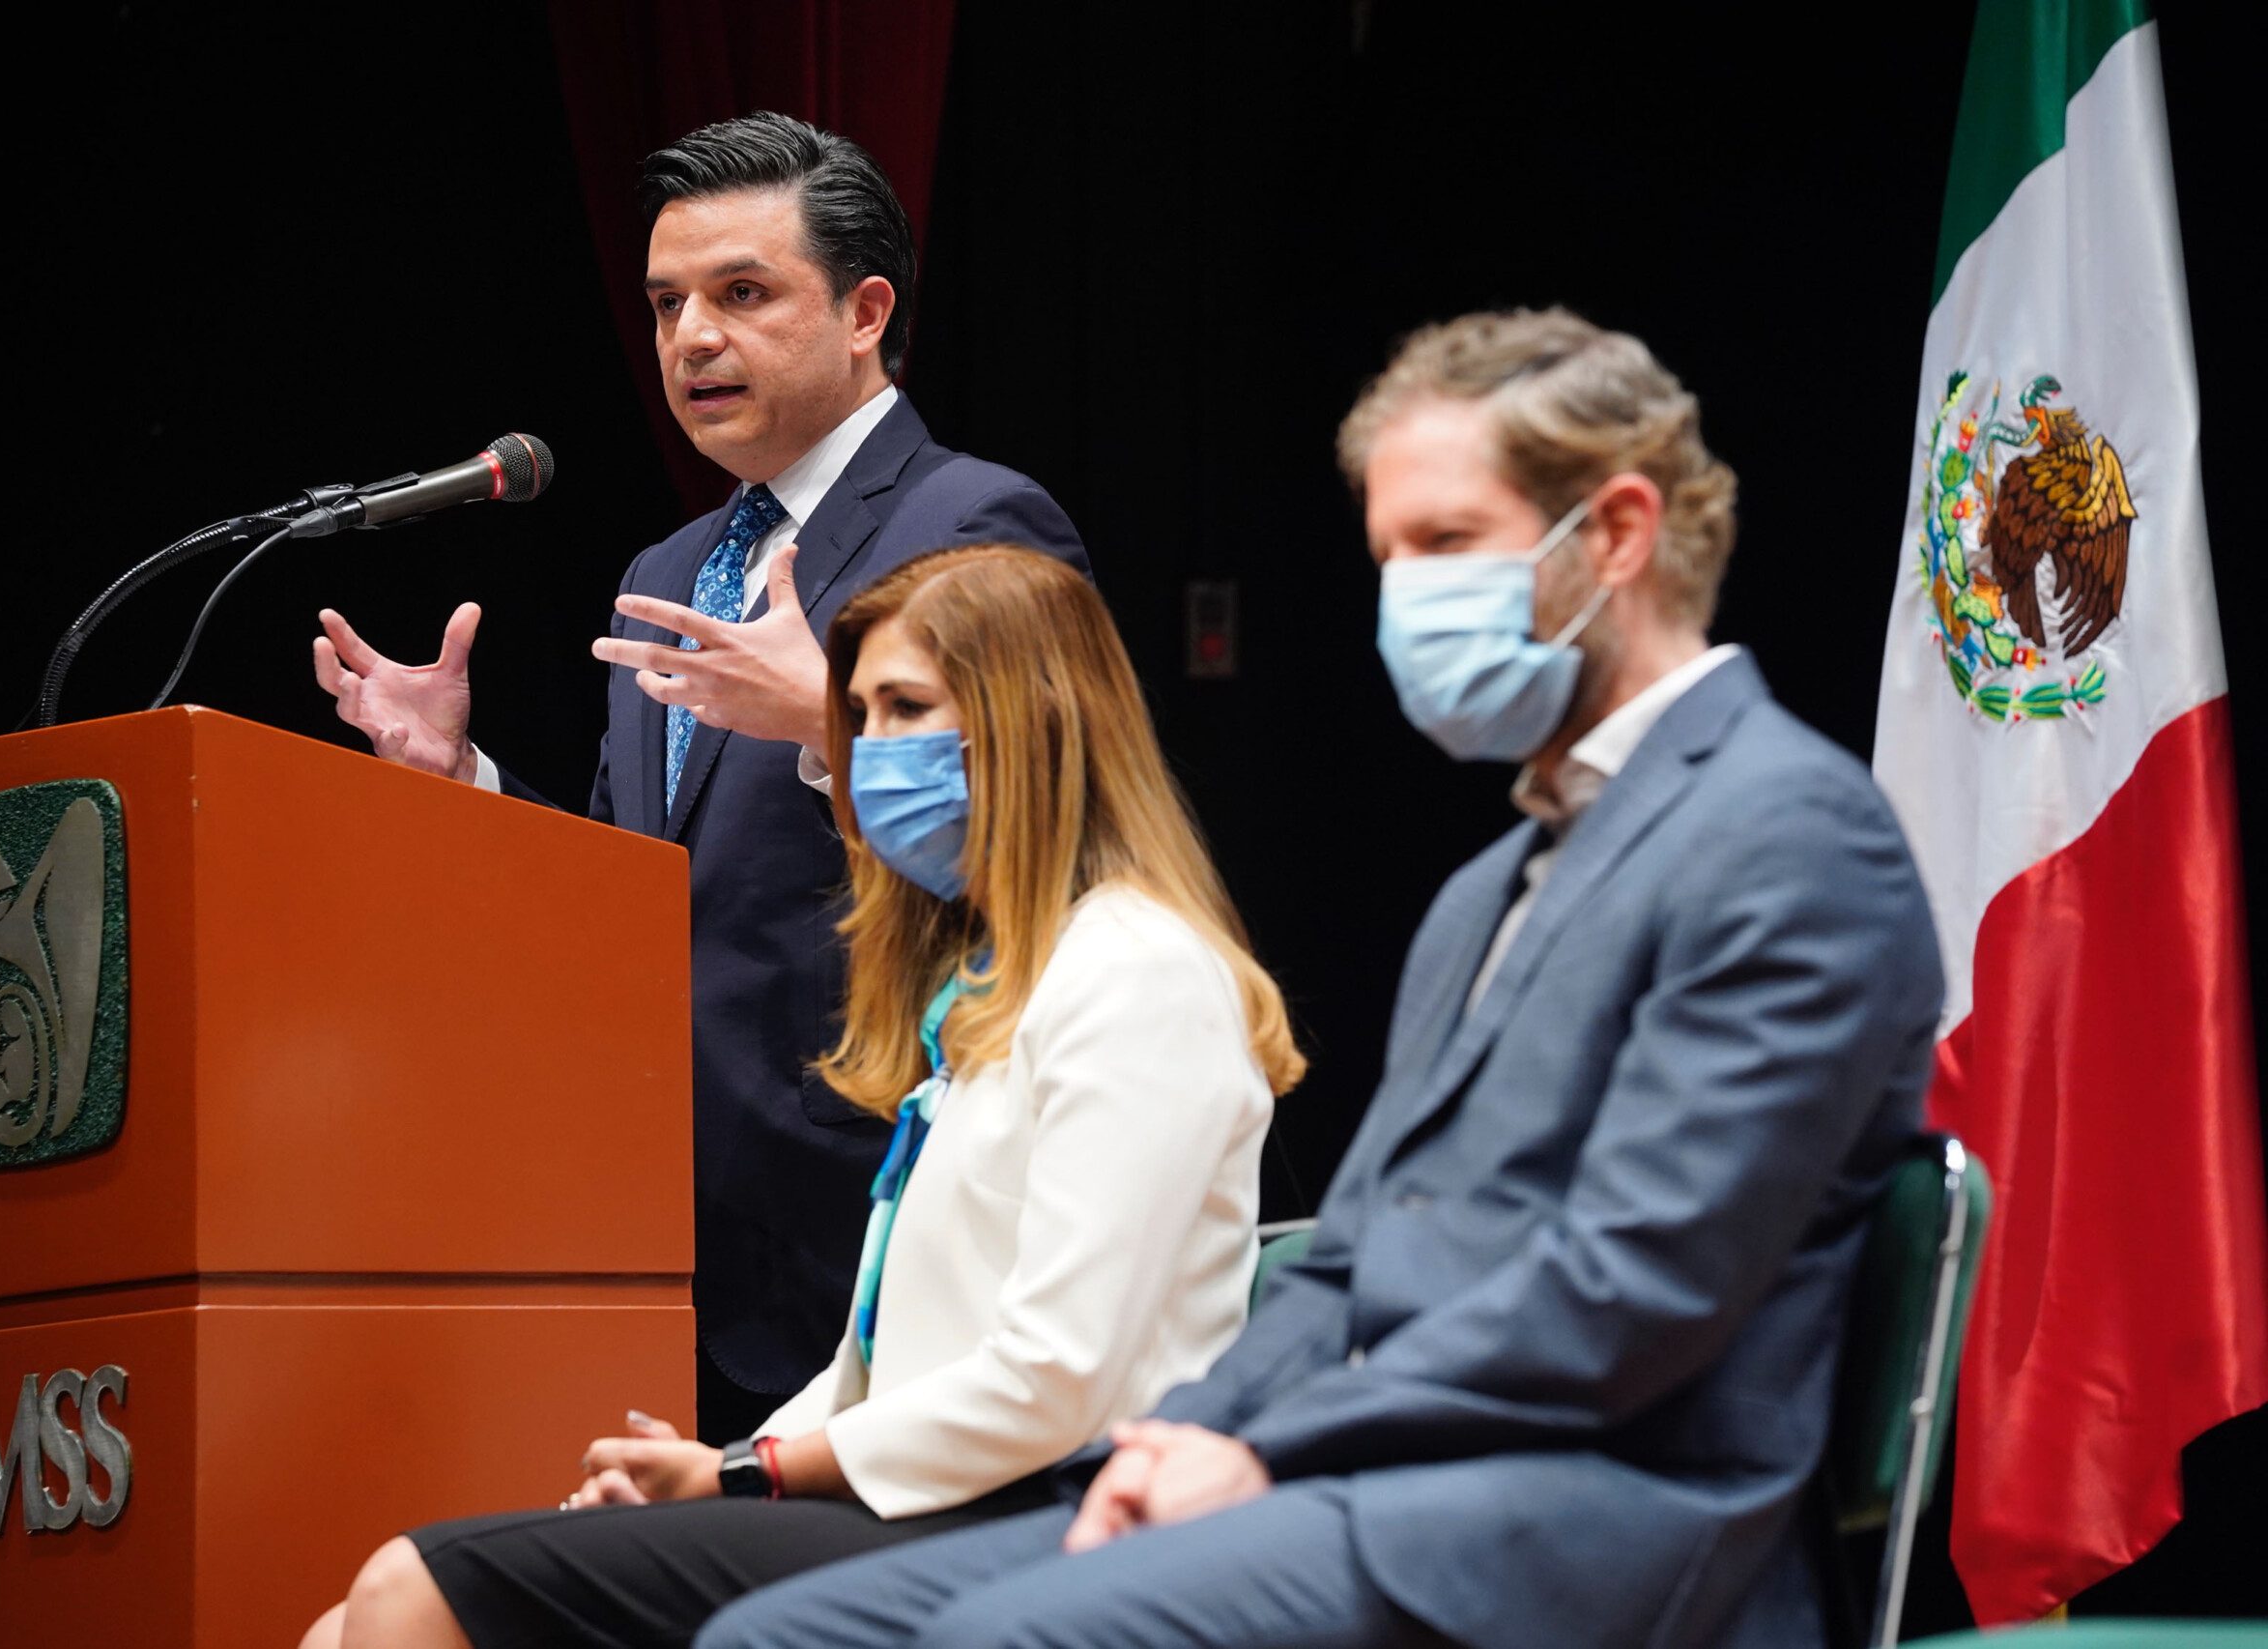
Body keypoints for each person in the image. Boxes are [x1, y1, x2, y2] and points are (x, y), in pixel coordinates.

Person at [699, 308, 1944, 1649]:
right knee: (776, 1636)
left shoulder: (1786, 830)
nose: (1407, 598)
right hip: (1384, 1483)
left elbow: (1632, 1287)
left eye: (1448, 544)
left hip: (1600, 1521)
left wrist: (1274, 1450)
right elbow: (1350, 1259)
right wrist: (1180, 1437)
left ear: (1622, 535)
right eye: (1389, 555)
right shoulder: (1490, 886)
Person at [301, 544, 1305, 1648]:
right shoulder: (989, 985)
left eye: (905, 708)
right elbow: (882, 1360)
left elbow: (1053, 1378)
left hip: (1056, 1506)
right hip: (932, 1494)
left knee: (412, 1587)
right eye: (858, 716)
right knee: (341, 1620)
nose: (869, 752)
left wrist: (749, 1474)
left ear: (1037, 723)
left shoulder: (1135, 970)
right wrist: (715, 1468)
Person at [309, 114, 1088, 1440]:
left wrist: (827, 716)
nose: (690, 339)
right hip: (677, 1241)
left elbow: (1053, 834)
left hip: (891, 1218)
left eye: (742, 293)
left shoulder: (971, 522)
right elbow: (639, 888)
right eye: (669, 302)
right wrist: (466, 777)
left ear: (865, 311)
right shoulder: (671, 572)